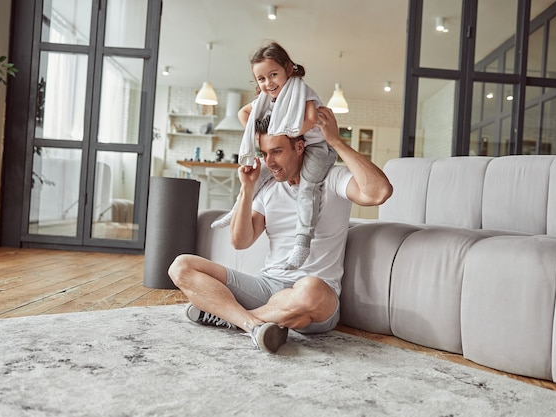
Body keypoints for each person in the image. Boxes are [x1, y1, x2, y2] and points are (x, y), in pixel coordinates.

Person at [168, 107, 393, 353]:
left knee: (309, 290)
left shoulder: (332, 178)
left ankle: (232, 316)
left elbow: (379, 192)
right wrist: (247, 189)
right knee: (181, 265)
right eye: (264, 153)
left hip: (316, 298)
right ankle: (254, 325)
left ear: (299, 148)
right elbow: (240, 241)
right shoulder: (268, 188)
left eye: (276, 151)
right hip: (267, 286)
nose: (270, 162)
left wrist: (335, 141)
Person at [211, 42, 337, 270]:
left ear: (288, 69)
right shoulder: (267, 99)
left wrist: (283, 133)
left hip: (317, 149)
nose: (268, 83)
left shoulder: (302, 91)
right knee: (255, 178)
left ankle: (302, 243)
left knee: (308, 188)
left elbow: (310, 119)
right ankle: (233, 213)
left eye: (273, 75)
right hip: (293, 147)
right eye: (261, 79)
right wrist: (259, 136)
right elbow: (243, 113)